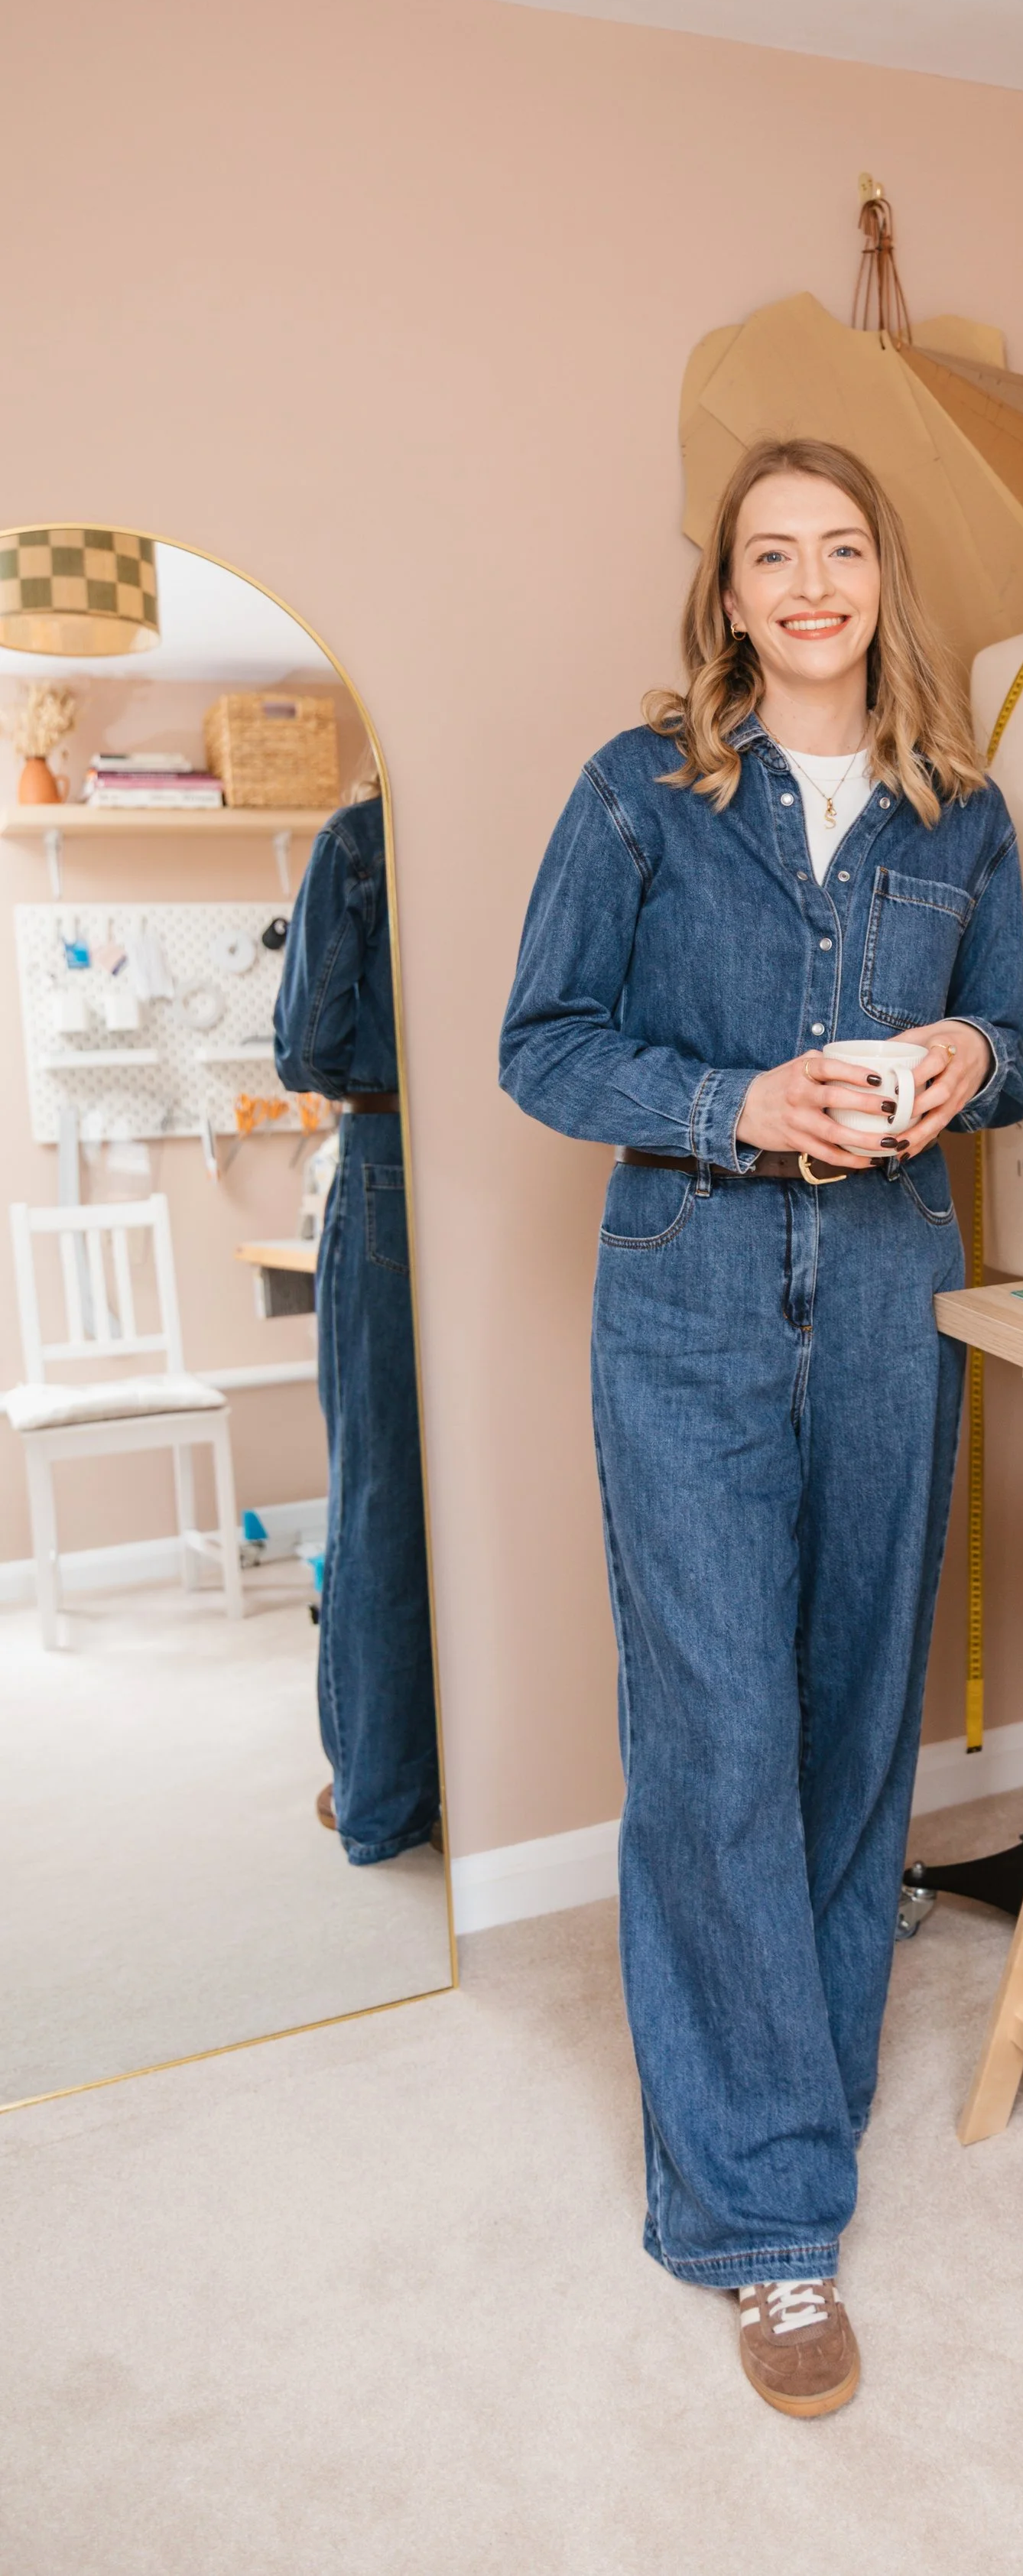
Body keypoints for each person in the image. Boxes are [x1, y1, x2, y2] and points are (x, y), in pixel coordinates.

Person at [499, 437, 1023, 2419]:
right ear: (725, 595)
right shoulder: (639, 793)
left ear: (883, 578)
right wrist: (740, 1102)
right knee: (714, 1738)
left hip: (892, 1298)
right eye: (768, 554)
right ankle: (764, 2220)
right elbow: (537, 1041)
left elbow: (1011, 1044)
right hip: (690, 1302)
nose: (808, 582)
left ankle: (789, 2084)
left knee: (844, 1720)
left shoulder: (959, 814)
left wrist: (966, 1051)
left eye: (840, 548)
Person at [274, 789, 440, 1865]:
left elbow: (306, 1051)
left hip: (386, 1155)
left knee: (380, 1486)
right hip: (535, 1161)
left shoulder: (361, 835)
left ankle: (382, 1792)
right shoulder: (552, 801)